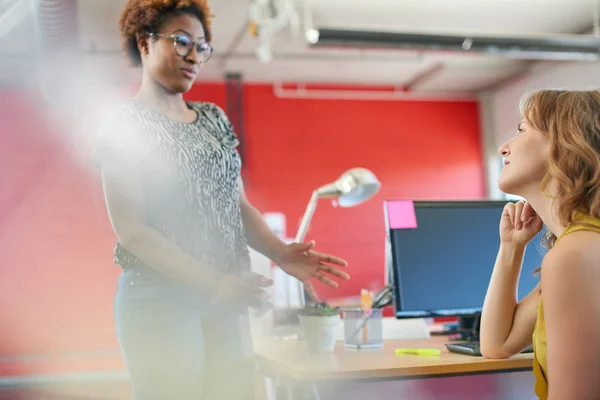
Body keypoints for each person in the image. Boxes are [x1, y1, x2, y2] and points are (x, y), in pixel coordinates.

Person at [94, 0, 350, 398]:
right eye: (181, 42)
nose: (194, 56)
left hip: (225, 294)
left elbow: (238, 207)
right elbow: (133, 232)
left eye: (201, 46)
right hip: (159, 297)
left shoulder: (214, 118)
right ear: (144, 44)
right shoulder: (123, 123)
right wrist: (215, 282)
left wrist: (281, 253)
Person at [480, 89, 600, 400]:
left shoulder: (575, 255)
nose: (504, 147)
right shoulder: (578, 246)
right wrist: (511, 246)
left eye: (521, 130)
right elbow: (498, 344)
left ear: (564, 145)